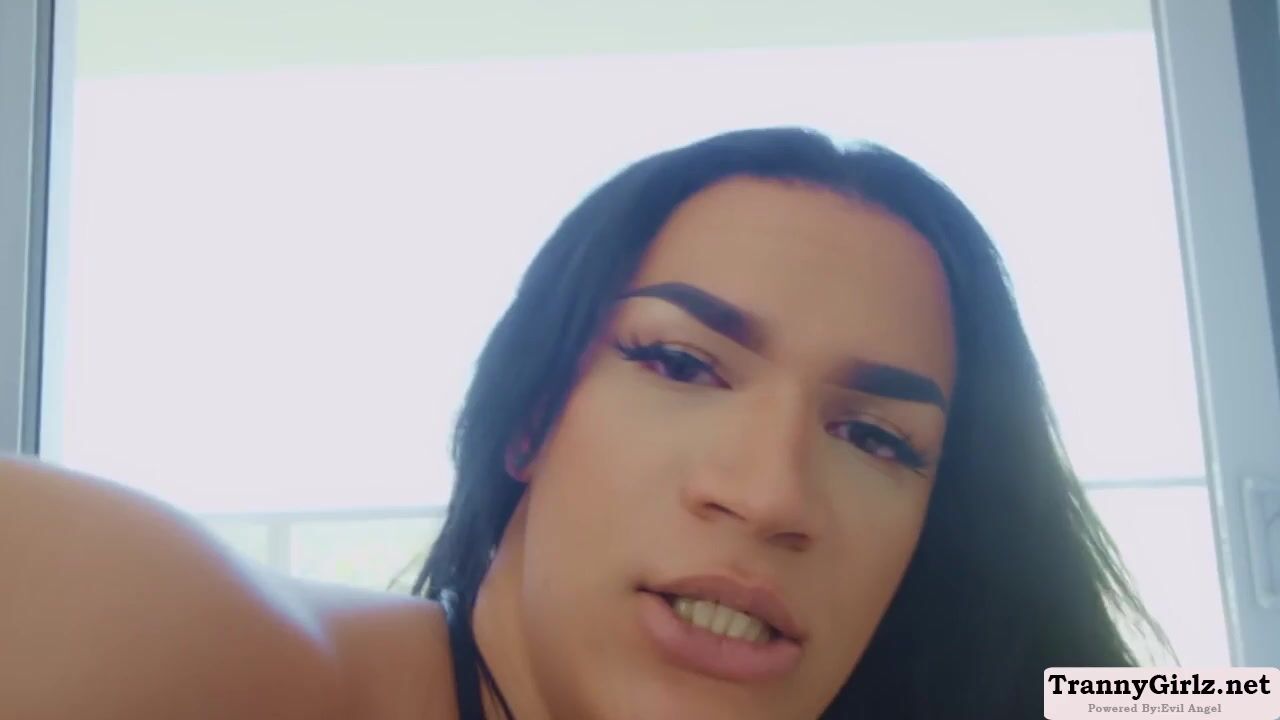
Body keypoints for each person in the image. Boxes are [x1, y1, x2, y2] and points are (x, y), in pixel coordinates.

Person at [0, 127, 1165, 719]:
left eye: (874, 439)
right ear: (527, 421)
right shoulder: (184, 641)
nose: (768, 495)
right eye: (680, 363)